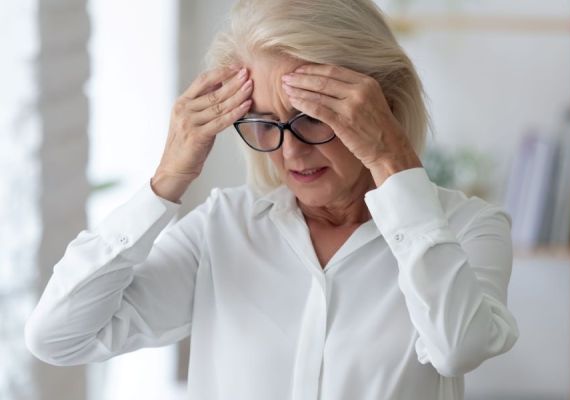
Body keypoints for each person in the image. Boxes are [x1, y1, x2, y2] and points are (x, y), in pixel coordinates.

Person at [25, 0, 519, 399]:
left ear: (380, 106)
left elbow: (457, 348)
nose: (290, 149)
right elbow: (58, 337)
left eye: (312, 115)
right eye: (263, 122)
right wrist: (169, 178)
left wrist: (392, 159)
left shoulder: (468, 227)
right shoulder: (224, 227)